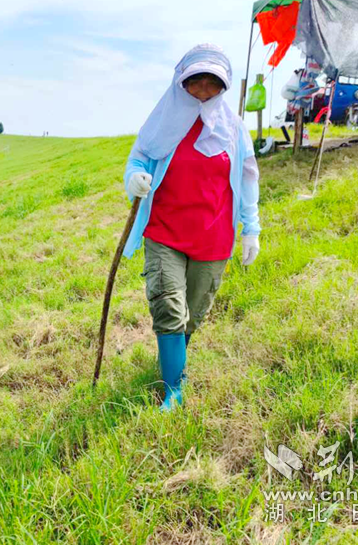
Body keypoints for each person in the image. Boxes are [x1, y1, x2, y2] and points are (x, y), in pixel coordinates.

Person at [123, 44, 261, 412]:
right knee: (168, 307)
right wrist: (135, 177)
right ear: (180, 82)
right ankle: (174, 389)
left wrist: (251, 228)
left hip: (213, 237)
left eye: (212, 82)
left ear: (223, 87)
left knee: (191, 315)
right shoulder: (164, 121)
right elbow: (139, 157)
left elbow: (248, 179)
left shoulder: (234, 131)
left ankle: (173, 362)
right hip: (164, 230)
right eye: (195, 81)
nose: (202, 89)